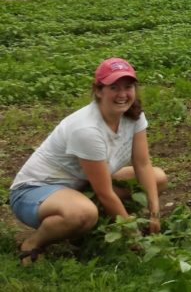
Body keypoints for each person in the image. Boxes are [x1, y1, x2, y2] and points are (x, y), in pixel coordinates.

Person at [9, 58, 167, 265]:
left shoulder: (133, 116)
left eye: (128, 87)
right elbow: (104, 192)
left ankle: (88, 229)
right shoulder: (87, 129)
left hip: (81, 185)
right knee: (83, 213)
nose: (122, 94)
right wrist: (132, 234)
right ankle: (32, 244)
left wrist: (154, 213)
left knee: (157, 178)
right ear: (99, 91)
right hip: (34, 191)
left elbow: (143, 164)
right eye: (113, 87)